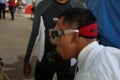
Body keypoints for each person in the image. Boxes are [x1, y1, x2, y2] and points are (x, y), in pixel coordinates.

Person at [49, 8, 120, 80]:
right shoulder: (112, 53)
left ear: (74, 37)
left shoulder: (87, 75)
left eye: (58, 35)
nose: (56, 44)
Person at [23, 0, 85, 80]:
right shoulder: (43, 6)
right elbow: (35, 34)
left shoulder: (78, 7)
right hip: (44, 61)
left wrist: (82, 63)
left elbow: (82, 37)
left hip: (69, 63)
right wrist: (27, 60)